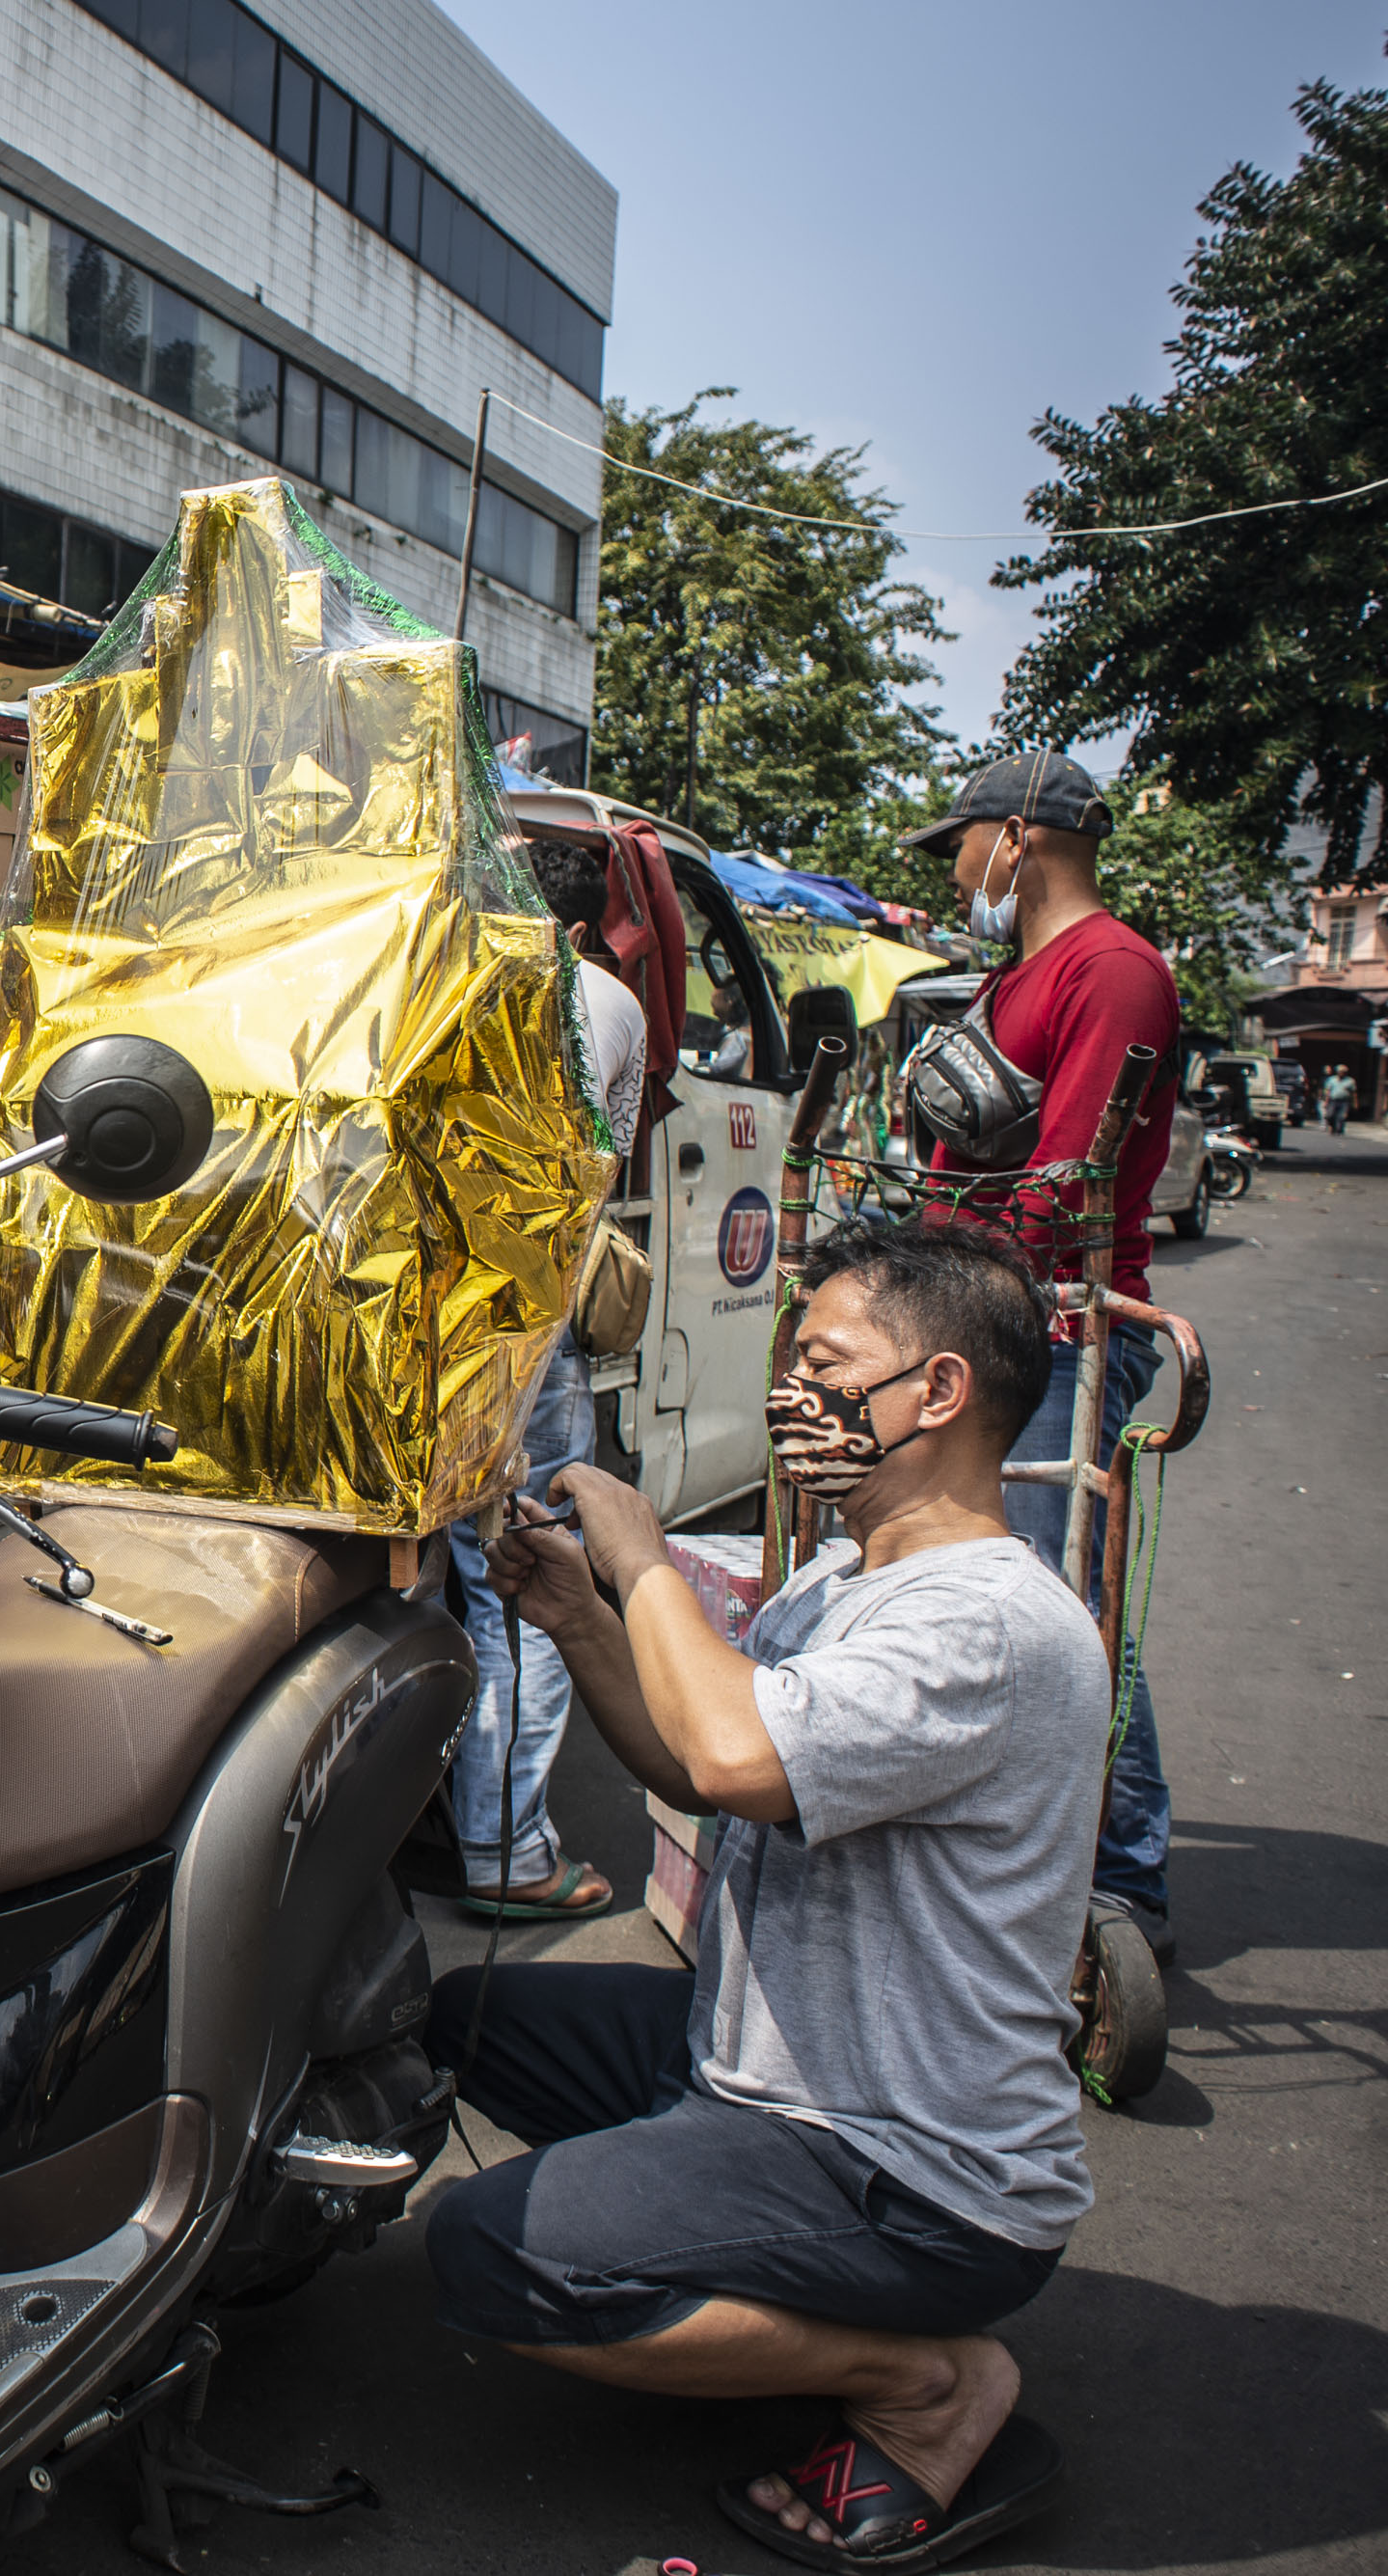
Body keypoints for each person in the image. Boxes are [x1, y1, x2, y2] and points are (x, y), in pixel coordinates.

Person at [431, 1219, 1100, 2573]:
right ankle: (743, 2260)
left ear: (943, 1391)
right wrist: (577, 1617)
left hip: (906, 2163)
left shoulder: (986, 1621)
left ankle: (927, 2384)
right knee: (459, 2018)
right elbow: (694, 1757)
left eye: (827, 1363)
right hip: (759, 2065)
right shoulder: (844, 1576)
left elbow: (736, 1749)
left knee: (489, 2256)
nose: (794, 1393)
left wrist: (641, 1560)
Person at [901, 751, 1183, 1958]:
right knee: (969, 1591)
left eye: (961, 845)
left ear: (1017, 840)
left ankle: (1123, 1877)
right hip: (982, 1319)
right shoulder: (1014, 974)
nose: (957, 871)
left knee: (1064, 1612)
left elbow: (1062, 1183)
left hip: (1056, 1327)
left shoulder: (1112, 971)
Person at [435, 836, 652, 1919]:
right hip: (523, 1333)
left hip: (407, 1326)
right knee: (523, 1581)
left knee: (436, 1578)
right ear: (582, 930)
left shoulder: (434, 970)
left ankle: (436, 1824)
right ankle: (505, 1851)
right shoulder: (600, 997)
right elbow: (590, 1171)